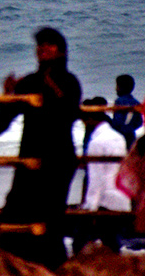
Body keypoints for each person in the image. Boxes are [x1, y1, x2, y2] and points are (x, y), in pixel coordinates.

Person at [0, 26, 81, 269]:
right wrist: (7, 95)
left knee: (50, 223)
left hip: (59, 161)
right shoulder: (28, 82)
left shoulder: (70, 82)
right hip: (29, 162)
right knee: (15, 217)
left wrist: (50, 84)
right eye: (40, 44)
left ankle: (54, 269)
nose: (42, 48)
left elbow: (70, 114)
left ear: (61, 51)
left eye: (49, 44)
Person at [73, 96, 132, 253]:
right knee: (111, 241)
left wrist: (89, 208)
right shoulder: (118, 137)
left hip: (104, 201)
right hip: (120, 198)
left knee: (79, 242)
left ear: (90, 119)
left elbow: (96, 179)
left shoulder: (96, 142)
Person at [113, 74, 143, 149]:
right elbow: (139, 122)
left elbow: (118, 121)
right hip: (131, 135)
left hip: (120, 135)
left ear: (120, 88)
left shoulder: (119, 101)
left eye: (117, 86)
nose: (115, 89)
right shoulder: (136, 102)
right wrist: (130, 128)